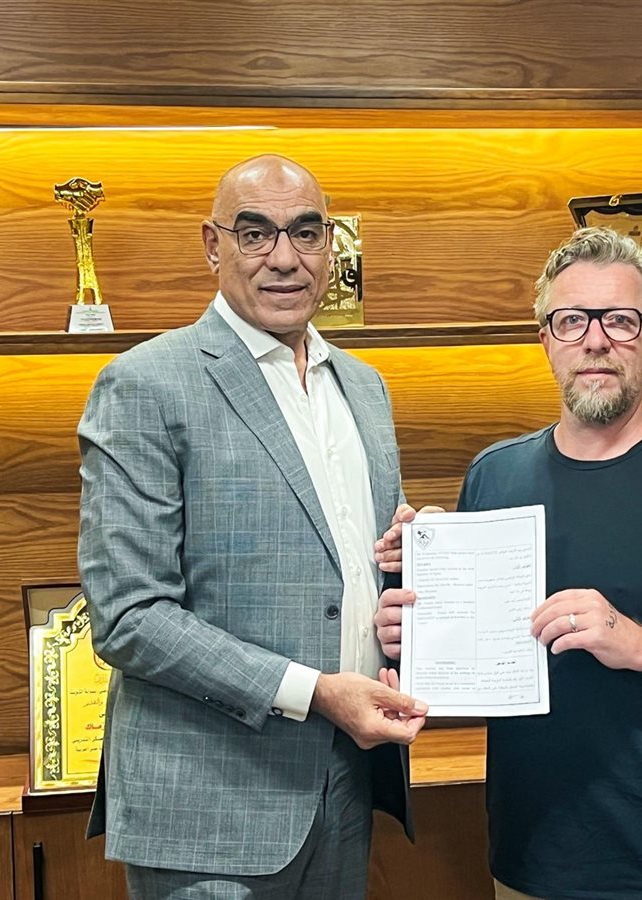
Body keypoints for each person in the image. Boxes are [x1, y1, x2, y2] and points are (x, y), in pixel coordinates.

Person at [374, 227, 642, 900]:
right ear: (546, 340)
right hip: (530, 860)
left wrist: (639, 644)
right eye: (572, 320)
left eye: (621, 320)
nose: (596, 340)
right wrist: (415, 627)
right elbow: (478, 656)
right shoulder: (493, 476)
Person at [78, 154, 427, 900]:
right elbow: (129, 617)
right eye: (255, 233)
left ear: (330, 244)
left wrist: (407, 577)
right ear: (214, 245)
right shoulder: (144, 384)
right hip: (208, 808)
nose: (284, 258)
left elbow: (356, 571)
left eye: (306, 232)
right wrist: (314, 690)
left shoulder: (364, 388)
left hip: (344, 784)